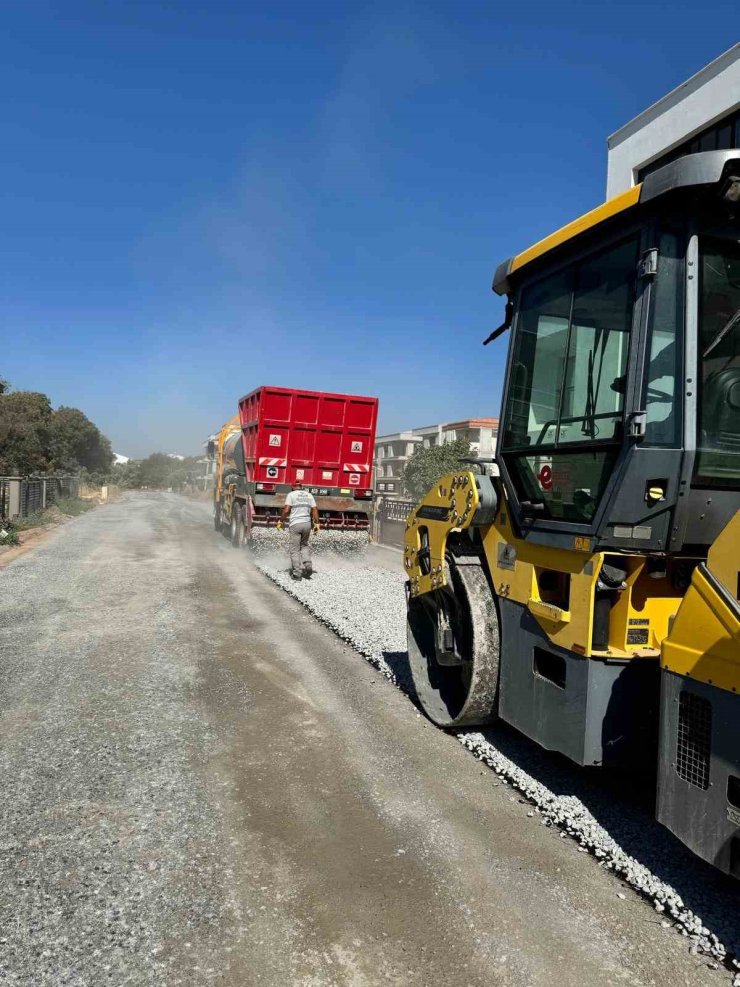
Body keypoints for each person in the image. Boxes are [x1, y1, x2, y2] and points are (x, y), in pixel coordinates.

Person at [277, 481, 320, 580]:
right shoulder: (309, 495)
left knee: (294, 549)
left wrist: (281, 521)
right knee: (304, 545)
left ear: (292, 487)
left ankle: (297, 574)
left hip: (295, 524)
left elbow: (287, 510)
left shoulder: (291, 495)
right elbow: (315, 510)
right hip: (307, 524)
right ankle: (308, 565)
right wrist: (317, 523)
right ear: (302, 487)